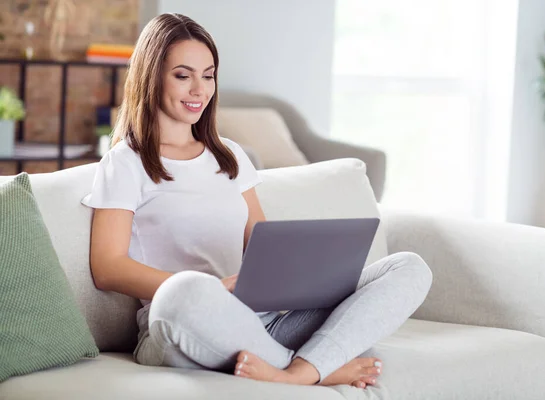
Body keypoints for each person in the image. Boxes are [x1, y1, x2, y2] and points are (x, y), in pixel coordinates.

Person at [82, 13, 433, 389]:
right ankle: (310, 369)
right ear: (151, 78)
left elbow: (261, 246)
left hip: (260, 321)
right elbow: (108, 267)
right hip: (183, 324)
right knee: (185, 290)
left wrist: (305, 274)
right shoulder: (126, 161)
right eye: (183, 76)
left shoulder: (229, 155)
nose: (199, 89)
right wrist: (215, 289)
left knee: (409, 267)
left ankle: (296, 371)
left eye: (209, 75)